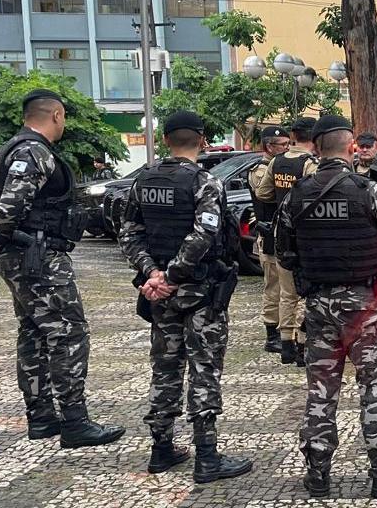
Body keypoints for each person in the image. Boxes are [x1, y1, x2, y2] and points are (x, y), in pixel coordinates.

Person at [0, 89, 125, 448]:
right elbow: (10, 206)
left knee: (35, 331)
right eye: (64, 117)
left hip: (21, 254)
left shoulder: (8, 149)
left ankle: (41, 417)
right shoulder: (34, 151)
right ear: (56, 116)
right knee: (68, 332)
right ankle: (74, 421)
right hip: (36, 256)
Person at [276, 115, 377, 499]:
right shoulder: (368, 192)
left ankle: (318, 474)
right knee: (375, 386)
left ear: (314, 147)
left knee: (321, 389)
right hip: (364, 305)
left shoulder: (298, 195)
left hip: (319, 305)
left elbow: (284, 254)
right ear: (351, 145)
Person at [118, 111, 251, 482]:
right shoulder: (205, 182)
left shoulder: (143, 181)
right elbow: (204, 235)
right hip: (199, 292)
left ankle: (161, 448)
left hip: (160, 294)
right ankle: (206, 456)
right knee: (204, 369)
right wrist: (172, 276)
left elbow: (129, 232)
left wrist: (152, 274)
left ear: (165, 139)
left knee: (165, 367)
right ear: (202, 138)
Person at [255, 116, 318, 365]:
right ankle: (302, 345)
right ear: (314, 138)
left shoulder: (277, 161)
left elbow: (262, 193)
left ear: (293, 135)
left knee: (286, 293)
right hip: (304, 235)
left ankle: (285, 346)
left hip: (280, 235)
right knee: (308, 292)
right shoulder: (310, 164)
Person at [251, 126, 291, 354]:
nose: (286, 149)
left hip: (280, 233)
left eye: (288, 144)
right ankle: (272, 333)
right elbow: (264, 194)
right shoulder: (261, 170)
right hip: (268, 235)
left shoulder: (281, 166)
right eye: (282, 145)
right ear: (269, 146)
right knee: (273, 286)